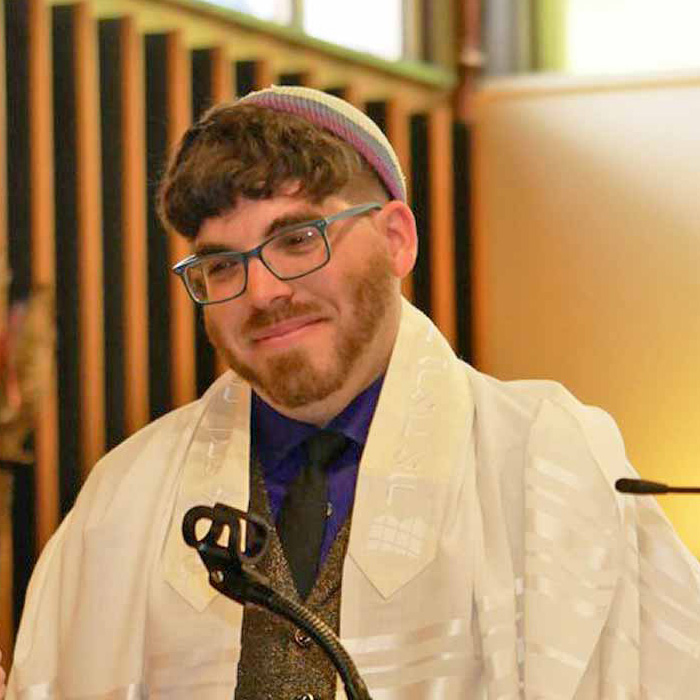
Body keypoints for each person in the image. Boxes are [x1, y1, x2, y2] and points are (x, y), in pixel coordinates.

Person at [6, 85, 700, 699]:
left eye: (299, 239)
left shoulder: (548, 462)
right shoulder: (126, 497)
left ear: (397, 239)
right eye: (222, 265)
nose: (267, 292)